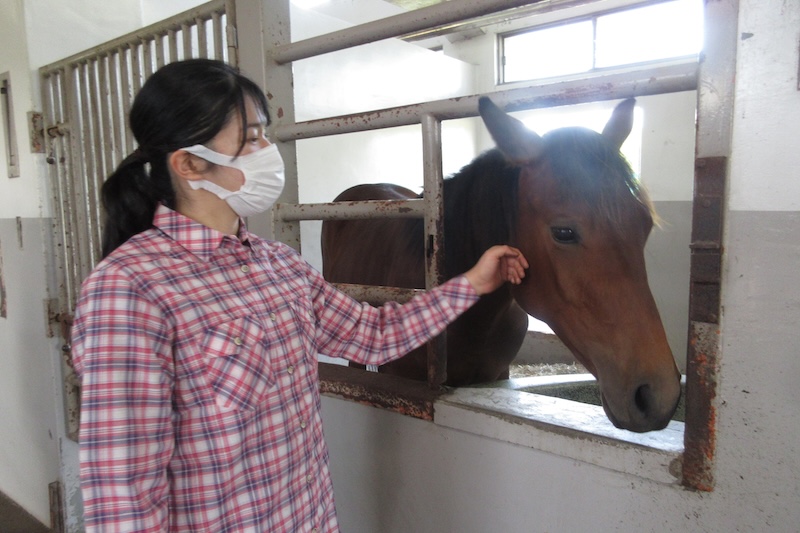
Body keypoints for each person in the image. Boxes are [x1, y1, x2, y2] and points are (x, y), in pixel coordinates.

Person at [70, 58, 528, 532]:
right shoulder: (128, 291)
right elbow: (124, 493)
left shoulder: (279, 266)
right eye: (250, 139)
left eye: (264, 134)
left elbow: (373, 335)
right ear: (188, 163)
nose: (268, 151)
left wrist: (472, 282)